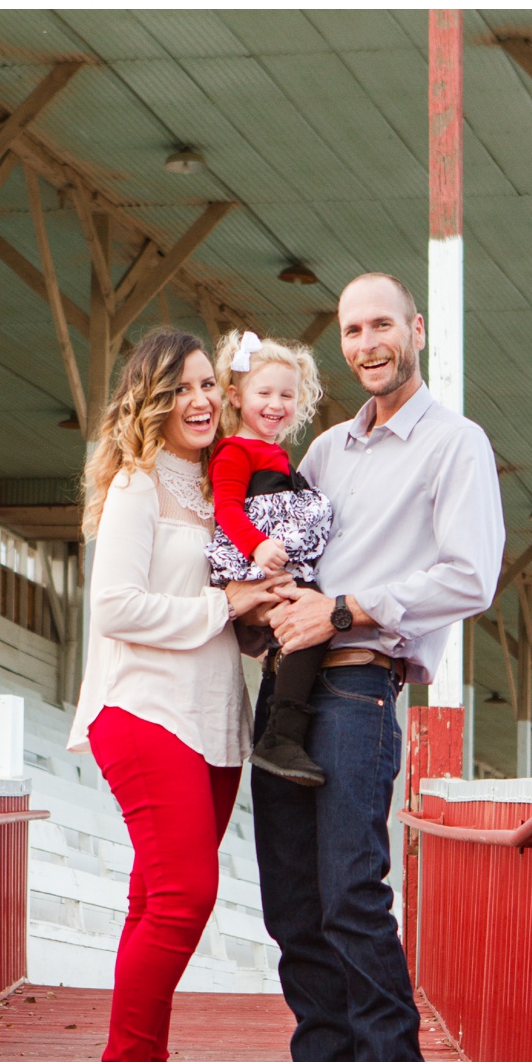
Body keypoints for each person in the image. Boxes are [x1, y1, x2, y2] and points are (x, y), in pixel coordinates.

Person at [236, 272, 505, 1062]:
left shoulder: (455, 444)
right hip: (288, 687)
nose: (366, 343)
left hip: (359, 685)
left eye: (381, 324)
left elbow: (471, 575)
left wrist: (346, 607)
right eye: (352, 331)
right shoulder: (324, 455)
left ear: (415, 330)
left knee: (352, 893)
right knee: (294, 905)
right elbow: (291, 548)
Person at [67, 328, 289, 1062]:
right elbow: (116, 607)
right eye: (182, 388)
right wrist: (221, 605)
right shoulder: (135, 487)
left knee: (153, 905)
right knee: (187, 897)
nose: (199, 401)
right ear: (152, 399)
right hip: (142, 710)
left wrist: (264, 603)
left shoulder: (216, 486)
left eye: (207, 386)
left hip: (211, 722)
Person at [204, 329, 334, 787]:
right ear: (236, 396)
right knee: (310, 621)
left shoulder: (274, 452)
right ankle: (282, 735)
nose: (276, 404)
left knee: (311, 624)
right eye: (265, 393)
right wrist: (257, 546)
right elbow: (227, 509)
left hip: (273, 565)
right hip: (252, 566)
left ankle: (285, 733)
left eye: (287, 394)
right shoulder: (234, 451)